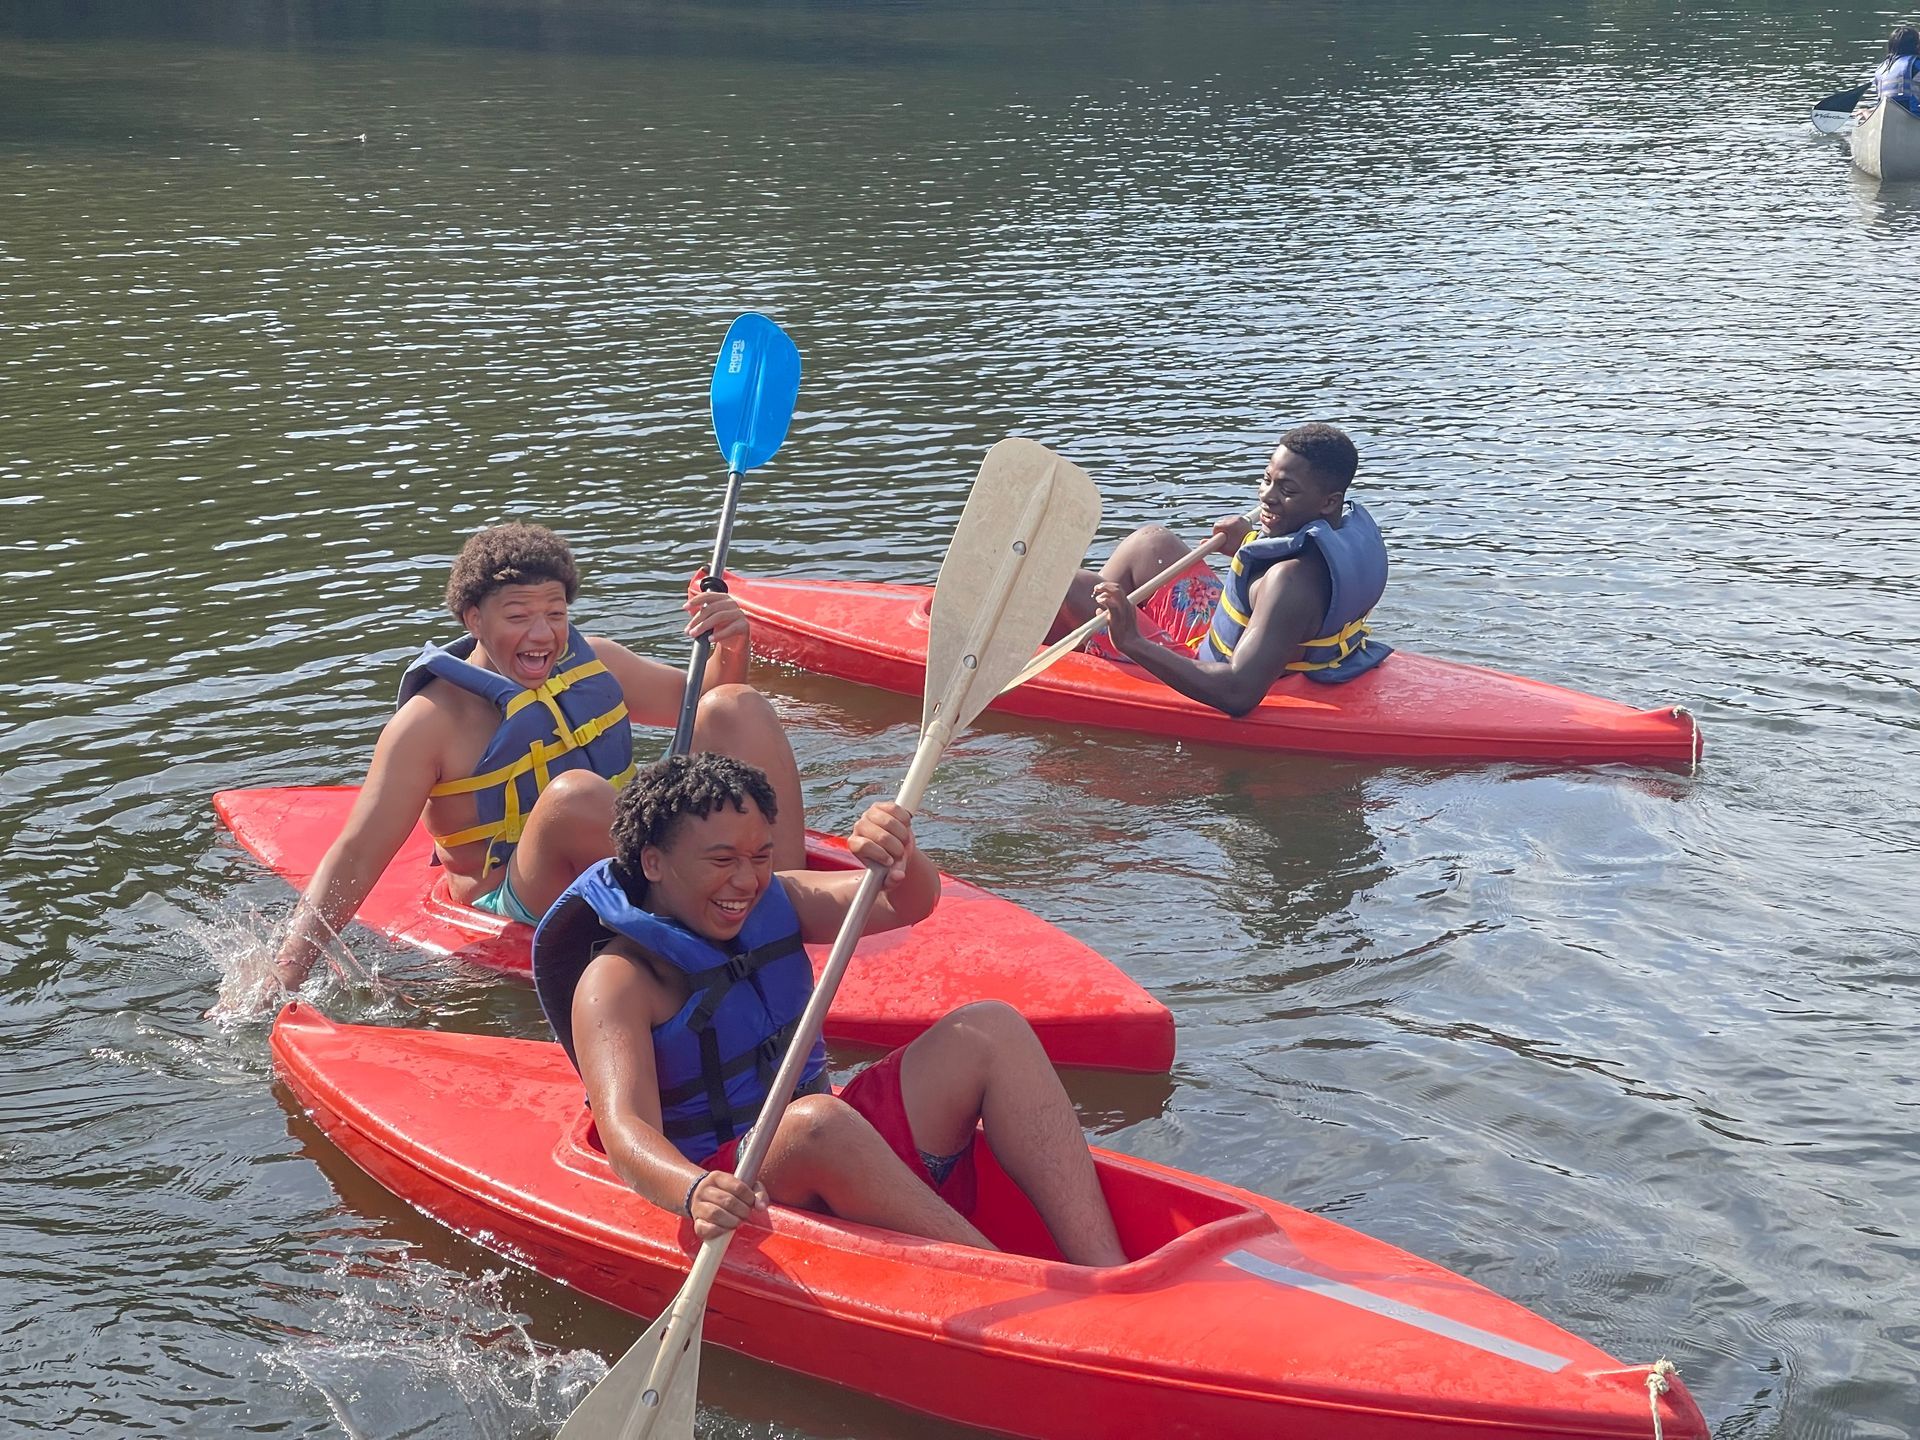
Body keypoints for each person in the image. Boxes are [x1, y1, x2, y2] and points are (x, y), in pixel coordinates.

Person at [532, 753, 1128, 1266]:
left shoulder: (781, 899)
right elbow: (625, 1132)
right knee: (816, 1121)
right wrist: (694, 1191)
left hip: (825, 1140)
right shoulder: (617, 982)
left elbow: (909, 903)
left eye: (760, 856)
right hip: (731, 1178)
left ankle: (1107, 1272)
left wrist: (899, 854)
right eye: (721, 860)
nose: (746, 881)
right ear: (653, 862)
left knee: (992, 1029)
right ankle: (1007, 1277)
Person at [263, 521, 805, 998]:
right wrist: (287, 971)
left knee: (738, 706)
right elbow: (357, 854)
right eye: (518, 616)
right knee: (576, 796)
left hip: (628, 848)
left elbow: (708, 705)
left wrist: (733, 645)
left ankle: (788, 900)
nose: (542, 634)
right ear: (474, 619)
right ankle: (717, 912)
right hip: (516, 895)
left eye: (555, 613)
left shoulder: (597, 662)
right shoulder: (429, 725)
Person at [1049, 422, 1390, 717]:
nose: (1267, 496)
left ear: (1329, 501)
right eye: (1267, 479)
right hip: (1240, 642)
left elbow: (1238, 695)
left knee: (1076, 587)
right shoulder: (1346, 528)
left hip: (1214, 672)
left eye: (1287, 491)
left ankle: (1053, 665)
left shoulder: (1291, 582)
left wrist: (1132, 641)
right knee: (1150, 543)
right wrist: (1251, 542)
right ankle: (1078, 647)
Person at [1868, 25, 1920, 117]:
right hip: (1913, 115)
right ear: (1916, 46)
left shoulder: (1881, 68)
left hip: (1887, 115)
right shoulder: (1916, 64)